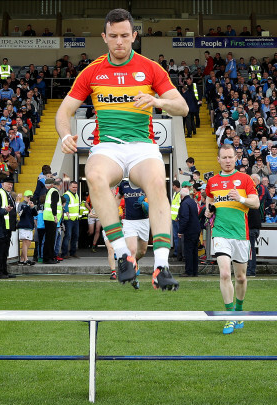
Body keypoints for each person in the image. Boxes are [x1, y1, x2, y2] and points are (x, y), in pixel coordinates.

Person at [56, 8, 188, 290]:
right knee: (94, 175)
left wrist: (157, 102)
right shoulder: (92, 71)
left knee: (156, 183)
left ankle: (161, 266)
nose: (119, 41)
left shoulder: (151, 68)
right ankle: (122, 255)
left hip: (143, 146)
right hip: (109, 147)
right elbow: (64, 111)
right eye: (113, 36)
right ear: (104, 37)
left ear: (134, 36)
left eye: (125, 36)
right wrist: (65, 134)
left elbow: (183, 107)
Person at [206, 144, 260, 334]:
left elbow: (256, 202)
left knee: (241, 277)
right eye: (224, 158)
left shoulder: (244, 179)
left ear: (235, 158)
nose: (228, 161)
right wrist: (208, 210)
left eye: (230, 157)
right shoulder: (212, 181)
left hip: (240, 234)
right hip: (220, 232)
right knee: (224, 274)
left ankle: (239, 309)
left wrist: (241, 198)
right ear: (219, 159)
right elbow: (209, 200)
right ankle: (229, 317)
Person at [0, 177, 17, 278]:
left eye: (11, 184)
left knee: (5, 251)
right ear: (2, 184)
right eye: (8, 183)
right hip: (2, 227)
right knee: (0, 251)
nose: (10, 185)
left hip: (7, 227)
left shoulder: (8, 194)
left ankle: (4, 271)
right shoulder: (0, 194)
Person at [177, 187, 201, 277]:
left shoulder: (184, 204)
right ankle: (195, 271)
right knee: (194, 251)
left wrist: (180, 231)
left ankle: (189, 271)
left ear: (182, 195)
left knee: (188, 251)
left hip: (189, 230)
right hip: (196, 229)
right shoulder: (192, 202)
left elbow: (185, 218)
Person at [246, 174, 264, 277]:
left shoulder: (250, 202)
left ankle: (251, 270)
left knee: (250, 250)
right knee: (251, 249)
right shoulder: (254, 201)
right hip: (255, 227)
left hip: (251, 228)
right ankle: (250, 269)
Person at [43, 178, 62, 264]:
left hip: (48, 217)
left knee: (48, 239)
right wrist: (55, 215)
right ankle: (48, 258)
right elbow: (53, 204)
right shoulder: (54, 192)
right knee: (50, 239)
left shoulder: (50, 191)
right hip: (51, 218)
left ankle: (48, 257)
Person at [61, 180, 80, 259]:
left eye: (76, 187)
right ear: (69, 187)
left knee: (75, 236)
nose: (75, 188)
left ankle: (73, 252)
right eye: (73, 187)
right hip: (68, 219)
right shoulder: (66, 195)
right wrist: (67, 212)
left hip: (75, 219)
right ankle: (64, 253)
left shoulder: (76, 195)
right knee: (68, 236)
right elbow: (65, 205)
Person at [17, 190, 37, 265]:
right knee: (25, 242)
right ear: (24, 197)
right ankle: (26, 259)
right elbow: (20, 214)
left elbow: (35, 214)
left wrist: (32, 207)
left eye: (30, 197)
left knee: (28, 243)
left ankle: (22, 259)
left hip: (29, 226)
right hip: (24, 225)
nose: (29, 198)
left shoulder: (31, 204)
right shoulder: (22, 204)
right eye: (28, 197)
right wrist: (27, 206)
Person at [170, 180, 182, 260]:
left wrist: (178, 216)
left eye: (172, 185)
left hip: (177, 218)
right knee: (175, 236)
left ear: (175, 186)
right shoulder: (175, 194)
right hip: (174, 218)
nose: (172, 187)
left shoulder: (180, 194)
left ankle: (179, 253)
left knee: (178, 236)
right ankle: (176, 252)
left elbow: (181, 206)